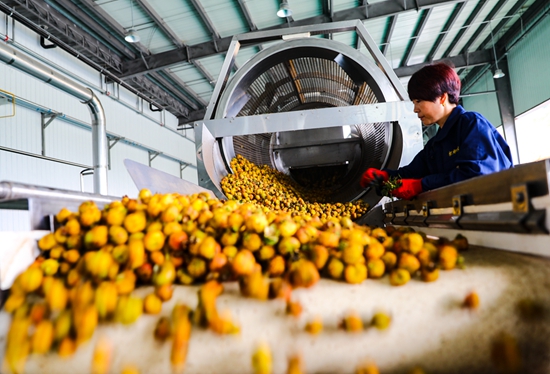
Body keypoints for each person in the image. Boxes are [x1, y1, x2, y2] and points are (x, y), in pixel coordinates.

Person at [360, 62, 513, 200]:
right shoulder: (435, 145)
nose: (415, 109)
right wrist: (385, 177)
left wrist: (421, 185)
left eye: (419, 101)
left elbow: (476, 175)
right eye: (413, 102)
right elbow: (412, 173)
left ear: (442, 98)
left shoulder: (471, 124)